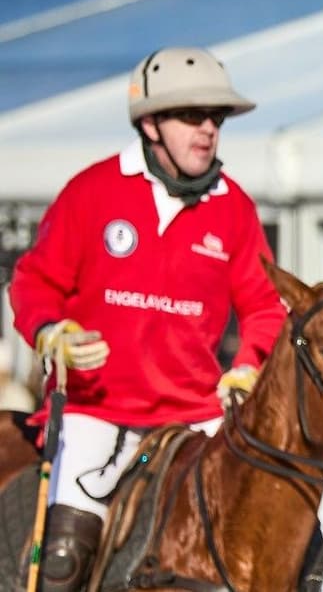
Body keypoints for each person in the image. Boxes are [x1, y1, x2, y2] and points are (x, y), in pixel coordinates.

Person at [8, 47, 286, 591]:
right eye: (191, 116)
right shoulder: (93, 190)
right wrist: (49, 333)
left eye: (216, 118)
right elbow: (34, 281)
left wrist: (249, 366)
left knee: (289, 531)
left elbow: (264, 305)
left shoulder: (234, 207)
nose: (208, 129)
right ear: (150, 123)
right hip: (100, 411)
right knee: (63, 556)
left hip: (197, 411)